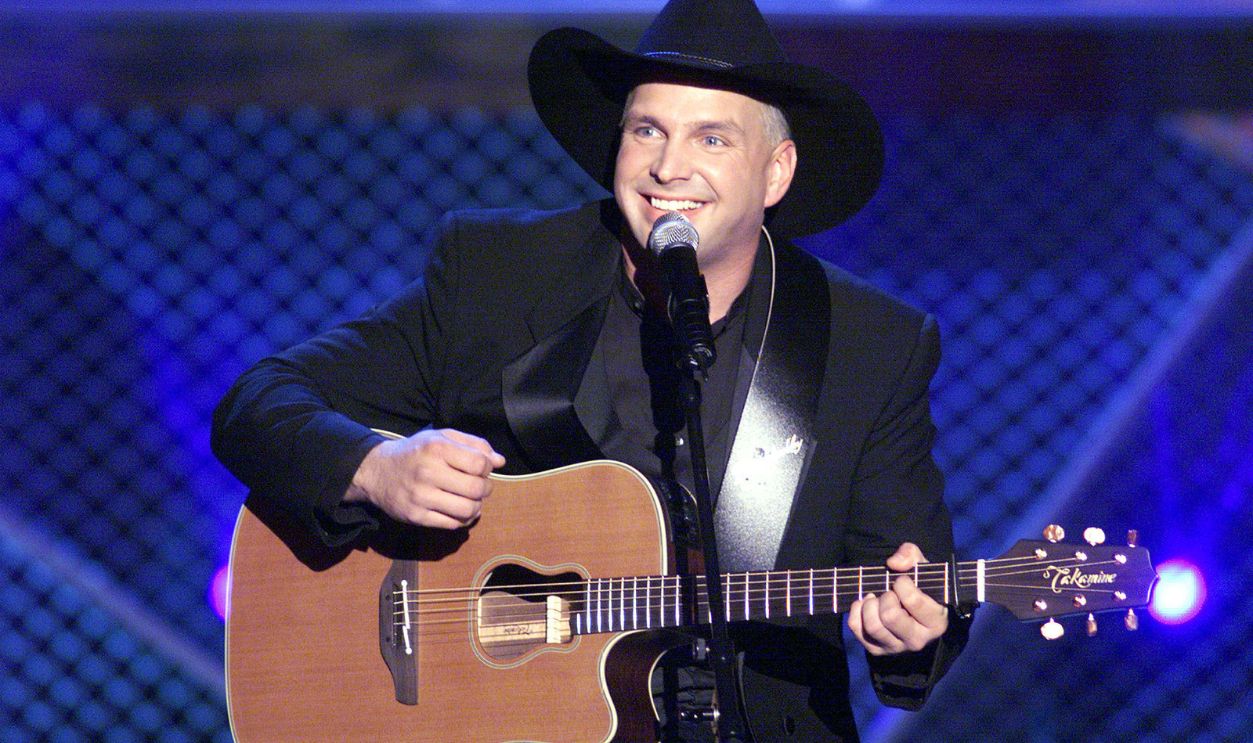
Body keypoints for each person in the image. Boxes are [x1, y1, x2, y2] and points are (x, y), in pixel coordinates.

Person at [212, 0, 969, 739]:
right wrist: (375, 470)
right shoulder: (498, 276)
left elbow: (917, 584)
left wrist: (912, 630)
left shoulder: (869, 344)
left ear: (776, 173)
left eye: (711, 139)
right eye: (647, 130)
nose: (668, 166)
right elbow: (258, 403)